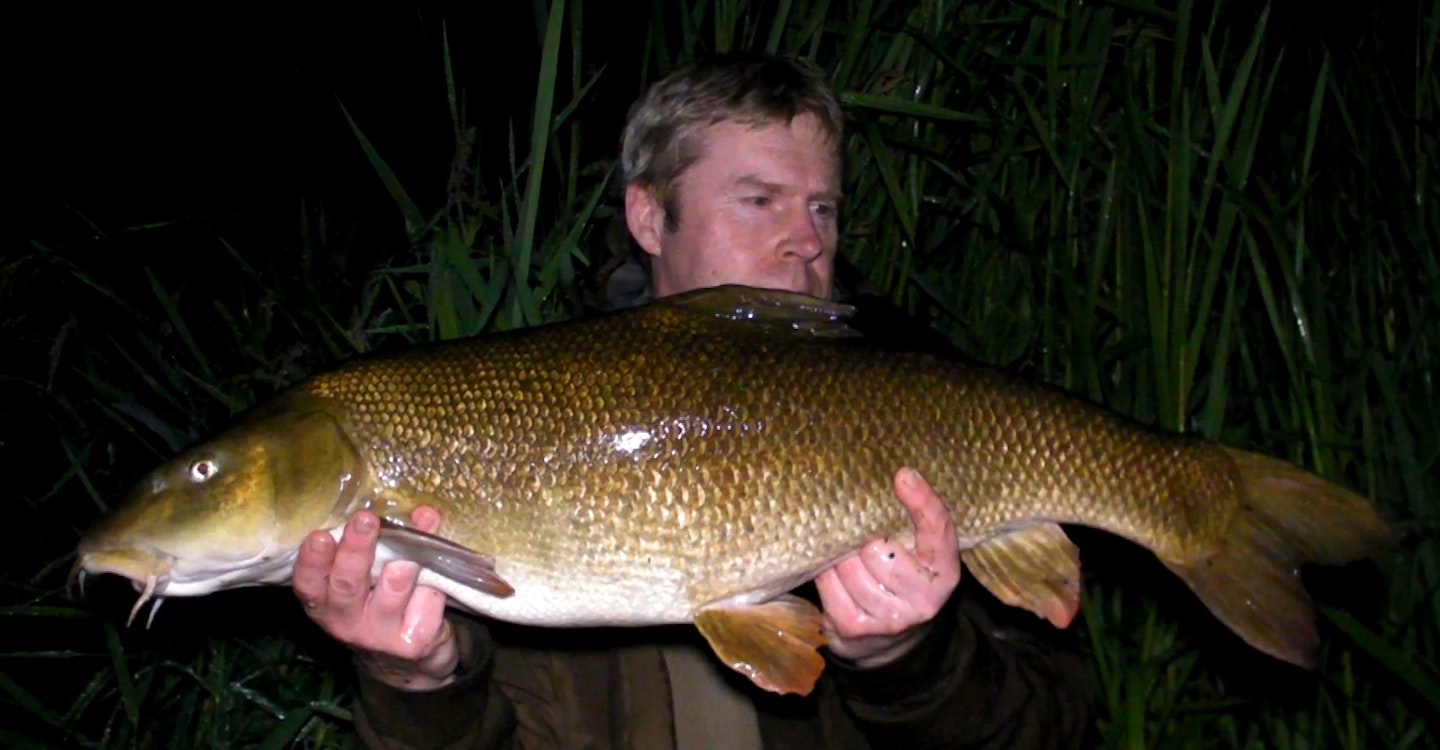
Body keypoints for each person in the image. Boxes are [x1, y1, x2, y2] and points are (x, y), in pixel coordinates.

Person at [292, 53, 1096, 749]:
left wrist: (907, 660)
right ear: (648, 214)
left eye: (824, 207)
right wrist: (418, 682)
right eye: (760, 201)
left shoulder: (926, 396)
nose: (808, 239)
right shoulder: (522, 428)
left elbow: (1056, 732)